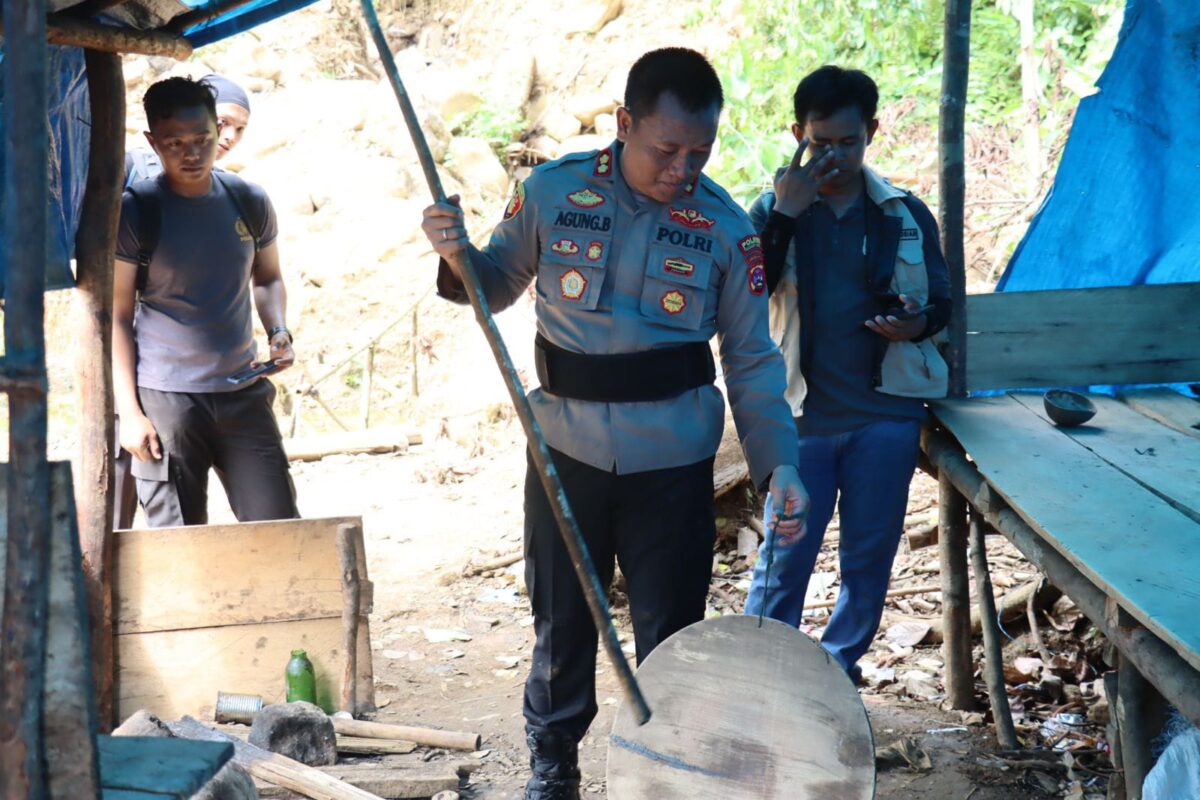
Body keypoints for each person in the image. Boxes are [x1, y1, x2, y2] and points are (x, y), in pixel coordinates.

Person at [422, 48, 809, 800]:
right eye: (666, 148)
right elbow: (493, 284)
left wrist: (778, 465)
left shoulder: (728, 230)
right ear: (626, 123)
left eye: (701, 151)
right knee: (563, 621)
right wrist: (455, 252)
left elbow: (754, 361)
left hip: (673, 459)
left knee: (672, 631)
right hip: (566, 449)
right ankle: (554, 761)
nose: (682, 168)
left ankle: (664, 769)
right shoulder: (554, 192)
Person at [743, 66, 952, 682]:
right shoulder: (771, 209)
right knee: (784, 553)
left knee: (868, 556)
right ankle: (760, 673)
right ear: (797, 134)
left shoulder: (902, 213)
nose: (833, 156)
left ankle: (836, 671)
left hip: (884, 415)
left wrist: (916, 325)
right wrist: (785, 214)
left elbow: (941, 301)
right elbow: (748, 292)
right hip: (799, 419)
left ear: (872, 134)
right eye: (820, 143)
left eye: (848, 142)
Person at [113, 76, 298, 528]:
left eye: (202, 140)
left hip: (242, 392)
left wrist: (278, 331)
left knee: (278, 527)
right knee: (179, 540)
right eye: (175, 143)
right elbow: (116, 318)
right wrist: (131, 413)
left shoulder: (248, 200)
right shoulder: (137, 211)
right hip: (167, 399)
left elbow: (268, 277)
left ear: (218, 132)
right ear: (152, 141)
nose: (192, 154)